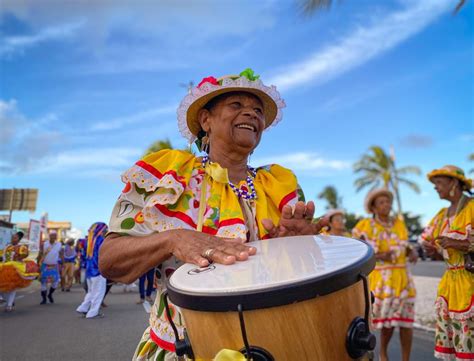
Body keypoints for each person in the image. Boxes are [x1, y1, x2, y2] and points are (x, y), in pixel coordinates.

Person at [99, 68, 327, 360]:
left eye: (257, 110)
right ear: (206, 120)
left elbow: (304, 280)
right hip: (185, 349)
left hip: (274, 345)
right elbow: (110, 259)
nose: (251, 114)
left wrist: (299, 247)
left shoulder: (278, 184)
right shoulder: (169, 177)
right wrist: (173, 239)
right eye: (236, 105)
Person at [352, 188, 417, 361]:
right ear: (373, 208)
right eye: (381, 202)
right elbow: (358, 249)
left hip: (403, 277)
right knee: (388, 323)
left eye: (388, 201)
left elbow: (405, 244)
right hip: (383, 279)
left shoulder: (398, 223)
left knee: (406, 322)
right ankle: (383, 353)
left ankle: (405, 358)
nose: (386, 205)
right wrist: (380, 255)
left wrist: (411, 251)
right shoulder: (365, 226)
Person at [420, 165, 473, 361]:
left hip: (470, 282)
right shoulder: (442, 214)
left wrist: (458, 243)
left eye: (439, 183)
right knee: (457, 345)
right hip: (450, 285)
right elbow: (432, 243)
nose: (436, 188)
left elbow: (459, 245)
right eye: (434, 185)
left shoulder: (472, 208)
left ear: (454, 183)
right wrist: (434, 250)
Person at [0, 231, 39, 312]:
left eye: (15, 238)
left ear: (19, 239)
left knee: (12, 288)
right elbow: (2, 256)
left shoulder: (21, 247)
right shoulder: (7, 246)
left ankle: (9, 305)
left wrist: (20, 257)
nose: (13, 239)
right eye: (12, 238)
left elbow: (25, 254)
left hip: (14, 268)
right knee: (3, 288)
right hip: (4, 268)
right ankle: (8, 302)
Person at [76, 222, 108, 319]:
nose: (106, 231)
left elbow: (82, 256)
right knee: (98, 292)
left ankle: (83, 308)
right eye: (105, 230)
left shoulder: (87, 241)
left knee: (91, 291)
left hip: (89, 270)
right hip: (98, 270)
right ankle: (93, 313)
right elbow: (104, 256)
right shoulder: (101, 240)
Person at [38, 232, 63, 304]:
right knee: (43, 282)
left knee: (55, 282)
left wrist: (63, 263)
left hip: (54, 266)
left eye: (55, 236)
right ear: (49, 236)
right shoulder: (44, 244)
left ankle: (50, 294)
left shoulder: (59, 244)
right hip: (45, 265)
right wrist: (38, 264)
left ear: (56, 237)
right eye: (52, 236)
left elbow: (61, 254)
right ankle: (44, 299)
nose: (53, 237)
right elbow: (40, 254)